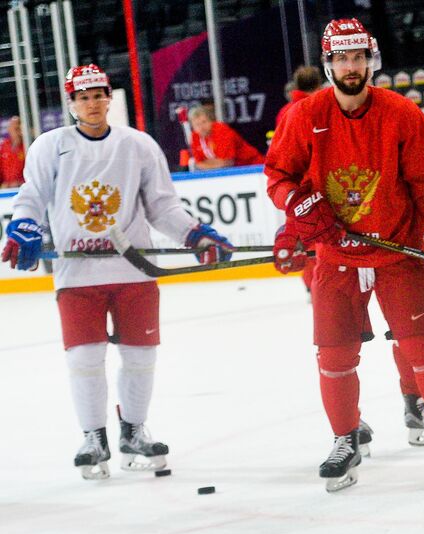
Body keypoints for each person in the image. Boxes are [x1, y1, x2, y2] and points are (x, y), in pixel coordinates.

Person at [264, 17, 424, 491]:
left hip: (397, 251)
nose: (351, 66)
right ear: (329, 63)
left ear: (370, 59)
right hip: (335, 258)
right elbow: (278, 178)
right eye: (341, 58)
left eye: (358, 56)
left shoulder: (402, 114)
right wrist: (296, 204)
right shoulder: (304, 117)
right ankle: (345, 437)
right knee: (334, 356)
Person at [2, 64, 233, 480]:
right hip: (77, 275)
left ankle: (133, 431)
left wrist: (196, 235)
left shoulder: (138, 145)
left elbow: (162, 206)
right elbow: (31, 197)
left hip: (133, 270)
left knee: (141, 357)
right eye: (83, 97)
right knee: (85, 359)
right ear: (71, 103)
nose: (92, 103)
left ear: (110, 97)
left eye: (99, 95)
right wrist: (24, 226)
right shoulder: (49, 147)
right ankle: (93, 436)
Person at [269, 61, 424, 448]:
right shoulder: (302, 117)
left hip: (372, 240)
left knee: (369, 340)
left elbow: (287, 192)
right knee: (352, 343)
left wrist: (289, 227)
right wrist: (293, 226)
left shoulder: (369, 111)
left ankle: (362, 421)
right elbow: (286, 181)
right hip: (333, 245)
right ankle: (405, 407)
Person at [187, 105, 264, 170]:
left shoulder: (222, 130)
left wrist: (207, 163)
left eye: (204, 122)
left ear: (211, 121)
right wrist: (214, 163)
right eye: (197, 124)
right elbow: (199, 163)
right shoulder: (195, 136)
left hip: (253, 167)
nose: (202, 127)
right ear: (193, 127)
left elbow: (227, 162)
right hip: (232, 171)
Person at [1, 116, 25, 187]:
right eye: (13, 128)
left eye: (17, 128)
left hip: (23, 187)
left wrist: (20, 182)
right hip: (7, 188)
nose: (16, 131)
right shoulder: (4, 146)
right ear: (9, 129)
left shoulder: (27, 145)